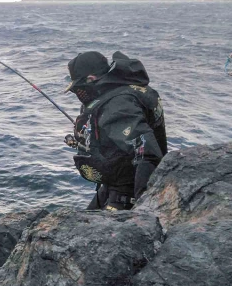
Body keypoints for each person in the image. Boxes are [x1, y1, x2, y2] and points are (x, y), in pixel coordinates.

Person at [63, 51, 168, 210]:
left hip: (127, 192)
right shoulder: (124, 88)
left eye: (78, 88)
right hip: (112, 184)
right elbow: (118, 137)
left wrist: (143, 206)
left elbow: (147, 152)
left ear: (91, 79)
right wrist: (82, 140)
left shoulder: (118, 105)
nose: (78, 93)